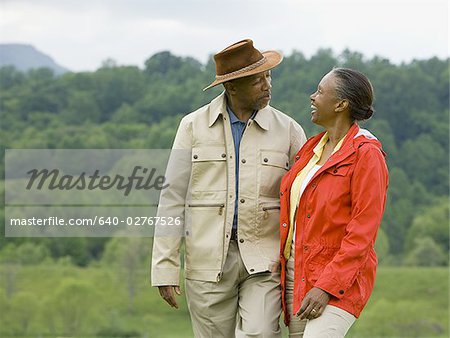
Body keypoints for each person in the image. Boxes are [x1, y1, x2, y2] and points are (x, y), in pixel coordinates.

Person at [151, 39, 307, 338]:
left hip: (264, 260)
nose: (267, 85)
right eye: (257, 80)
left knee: (261, 334)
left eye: (268, 76)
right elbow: (172, 198)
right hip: (207, 263)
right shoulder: (192, 127)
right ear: (232, 87)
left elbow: (304, 201)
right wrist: (165, 267)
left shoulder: (289, 130)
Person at [279, 68, 389, 337]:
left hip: (339, 281)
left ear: (341, 104)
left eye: (320, 91)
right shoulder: (311, 149)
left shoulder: (367, 155)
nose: (312, 97)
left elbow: (363, 232)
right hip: (297, 272)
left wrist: (327, 286)